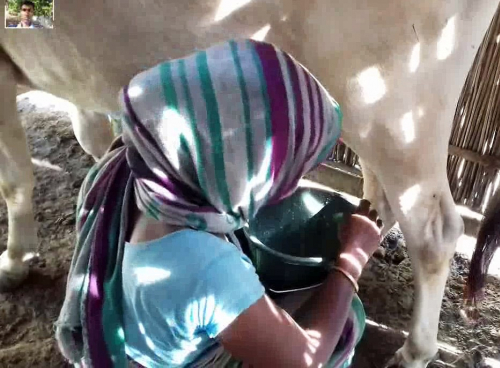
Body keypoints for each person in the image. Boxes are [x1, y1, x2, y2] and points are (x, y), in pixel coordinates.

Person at [54, 39, 384, 368]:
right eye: (289, 172)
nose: (293, 182)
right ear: (241, 174)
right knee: (345, 315)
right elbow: (304, 359)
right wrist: (350, 263)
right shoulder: (208, 269)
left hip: (141, 336)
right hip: (185, 356)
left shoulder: (118, 170)